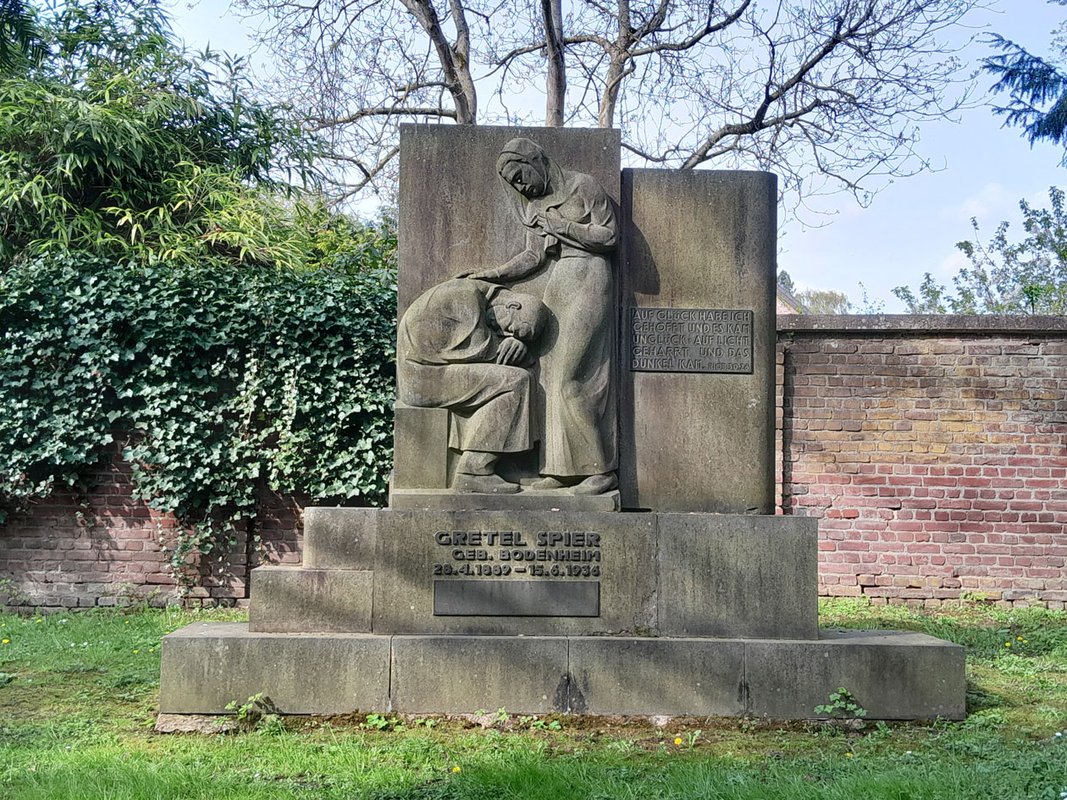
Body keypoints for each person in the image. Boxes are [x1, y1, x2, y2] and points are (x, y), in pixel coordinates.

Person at [457, 138, 618, 495]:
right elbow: (534, 257)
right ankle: (562, 470)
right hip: (559, 284)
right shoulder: (535, 208)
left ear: (535, 160)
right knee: (549, 378)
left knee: (573, 378)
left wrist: (562, 226)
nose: (522, 186)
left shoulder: (583, 185)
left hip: (590, 278)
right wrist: (492, 275)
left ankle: (600, 471)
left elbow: (609, 236)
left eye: (521, 176)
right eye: (514, 184)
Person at [397, 277, 548, 494]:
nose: (506, 334)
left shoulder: (472, 293)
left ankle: (491, 466)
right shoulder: (465, 295)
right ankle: (474, 470)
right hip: (424, 378)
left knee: (515, 379)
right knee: (516, 381)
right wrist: (523, 355)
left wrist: (518, 346)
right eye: (512, 329)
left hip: (433, 371)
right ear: (513, 306)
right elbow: (476, 349)